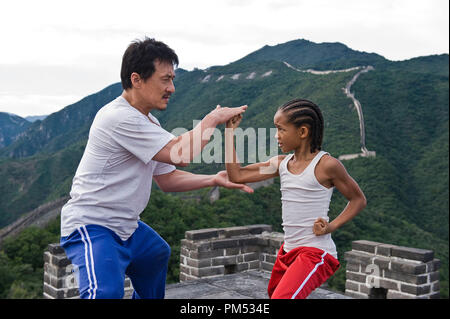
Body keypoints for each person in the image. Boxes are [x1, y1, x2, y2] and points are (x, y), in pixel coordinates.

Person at [60, 37, 252, 299]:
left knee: (156, 253)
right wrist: (212, 119)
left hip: (127, 226)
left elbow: (168, 179)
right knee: (103, 293)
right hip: (93, 225)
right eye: (165, 79)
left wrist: (214, 179)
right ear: (137, 79)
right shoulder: (118, 117)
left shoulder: (149, 123)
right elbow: (180, 155)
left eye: (172, 79)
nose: (172, 88)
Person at [225, 98, 367, 299]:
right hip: (288, 251)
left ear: (302, 132)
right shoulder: (281, 164)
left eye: (281, 129)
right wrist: (230, 133)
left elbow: (358, 200)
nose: (276, 136)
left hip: (316, 252)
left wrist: (331, 226)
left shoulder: (326, 165)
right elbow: (237, 175)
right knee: (274, 294)